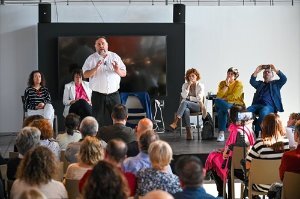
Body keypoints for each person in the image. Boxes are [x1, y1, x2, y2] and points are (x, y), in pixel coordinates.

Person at [205, 105, 255, 198]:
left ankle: (221, 193)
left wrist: (227, 149)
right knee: (214, 154)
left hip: (236, 165)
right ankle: (221, 193)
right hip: (248, 163)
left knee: (212, 157)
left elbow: (243, 144)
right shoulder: (249, 129)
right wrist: (226, 149)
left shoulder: (238, 131)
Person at [82, 36, 126, 127]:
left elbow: (124, 73)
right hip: (98, 95)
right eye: (99, 44)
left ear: (107, 45)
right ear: (95, 46)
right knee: (97, 120)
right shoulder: (91, 59)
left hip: (114, 95)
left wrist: (117, 69)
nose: (101, 45)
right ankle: (98, 140)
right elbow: (85, 75)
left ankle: (116, 138)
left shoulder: (115, 56)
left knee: (118, 119)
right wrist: (95, 68)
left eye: (103, 43)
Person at [246, 113, 289, 193]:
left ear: (264, 126)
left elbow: (248, 165)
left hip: (261, 185)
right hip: (280, 186)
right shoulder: (286, 143)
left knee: (247, 181)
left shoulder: (259, 144)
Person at [247, 64, 287, 137]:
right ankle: (244, 132)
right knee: (247, 111)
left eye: (268, 72)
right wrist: (256, 71)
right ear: (263, 76)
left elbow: (284, 79)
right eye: (265, 72)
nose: (266, 73)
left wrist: (275, 69)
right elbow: (252, 81)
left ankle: (259, 132)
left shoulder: (276, 84)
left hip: (269, 106)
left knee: (264, 111)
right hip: (256, 106)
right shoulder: (260, 84)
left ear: (272, 75)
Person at [169, 68, 206, 140]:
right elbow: (184, 96)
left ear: (197, 76)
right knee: (186, 110)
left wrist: (189, 98)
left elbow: (199, 98)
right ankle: (189, 131)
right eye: (189, 76)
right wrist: (188, 85)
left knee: (185, 102)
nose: (191, 78)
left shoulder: (200, 85)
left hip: (197, 106)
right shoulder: (185, 85)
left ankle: (175, 122)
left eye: (193, 76)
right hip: (187, 106)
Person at [215, 67, 245, 142]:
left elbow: (235, 96)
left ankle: (221, 133)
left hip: (236, 105)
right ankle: (230, 112)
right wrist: (226, 85)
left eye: (231, 74)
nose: (229, 75)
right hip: (226, 105)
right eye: (228, 73)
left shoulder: (239, 84)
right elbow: (219, 95)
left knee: (221, 110)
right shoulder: (222, 83)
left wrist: (224, 98)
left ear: (235, 76)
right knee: (217, 101)